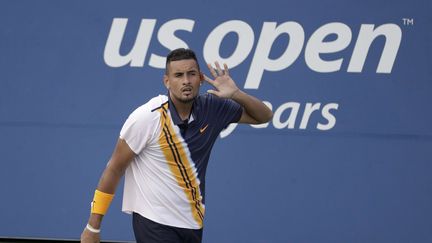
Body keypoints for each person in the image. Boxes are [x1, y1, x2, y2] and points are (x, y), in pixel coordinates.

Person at [80, 48, 273, 243]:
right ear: (167, 81)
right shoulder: (147, 117)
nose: (186, 81)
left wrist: (237, 94)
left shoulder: (213, 108)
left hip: (192, 224)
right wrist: (92, 227)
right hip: (153, 222)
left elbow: (264, 116)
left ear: (201, 78)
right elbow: (114, 168)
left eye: (191, 74)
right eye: (178, 75)